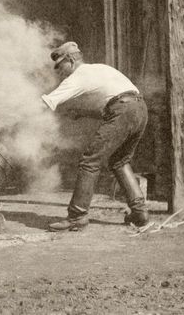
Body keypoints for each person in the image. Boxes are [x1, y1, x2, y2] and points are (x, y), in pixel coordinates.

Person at [41, 41, 149, 231]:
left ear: (71, 60)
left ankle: (77, 216)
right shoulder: (100, 68)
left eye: (61, 66)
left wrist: (18, 112)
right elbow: (114, 105)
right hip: (140, 109)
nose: (60, 71)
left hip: (124, 111)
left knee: (90, 161)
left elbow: (48, 102)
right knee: (119, 160)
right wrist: (84, 114)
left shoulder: (77, 77)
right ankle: (140, 213)